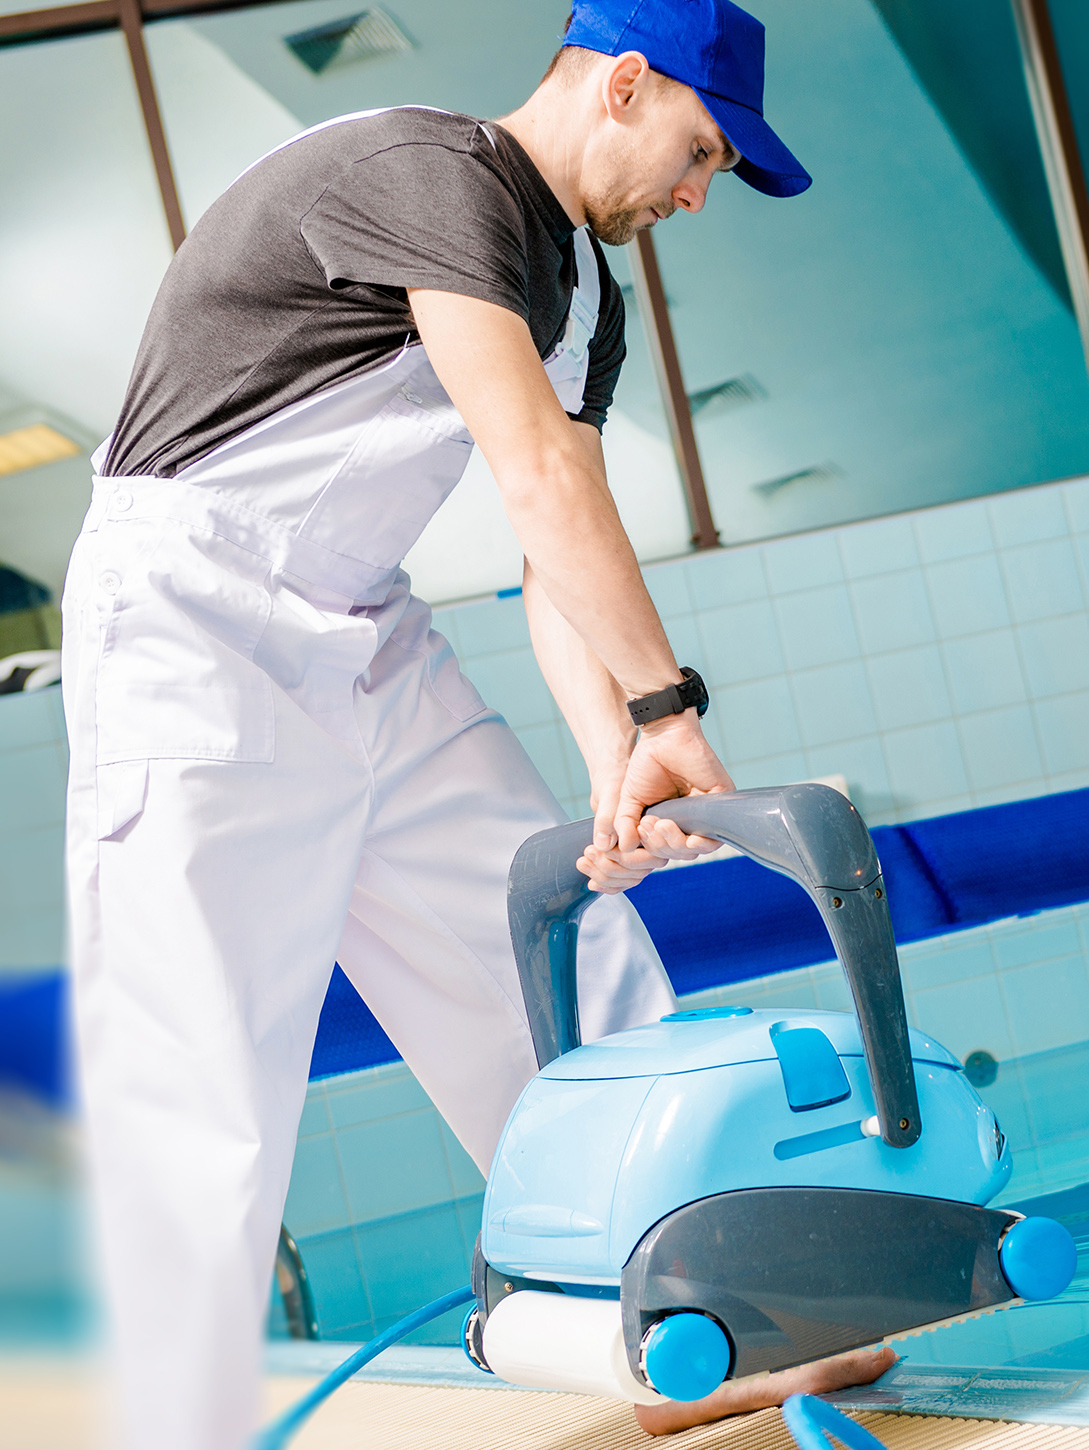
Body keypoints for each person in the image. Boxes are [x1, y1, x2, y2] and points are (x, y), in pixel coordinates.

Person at [63, 4, 891, 1447]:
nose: (700, 194)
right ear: (624, 84)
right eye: (703, 152)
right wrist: (667, 706)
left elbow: (548, 563)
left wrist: (614, 760)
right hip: (193, 624)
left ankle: (693, 1323)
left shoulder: (586, 294)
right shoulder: (430, 170)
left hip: (362, 634)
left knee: (573, 961)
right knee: (200, 1087)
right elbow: (532, 478)